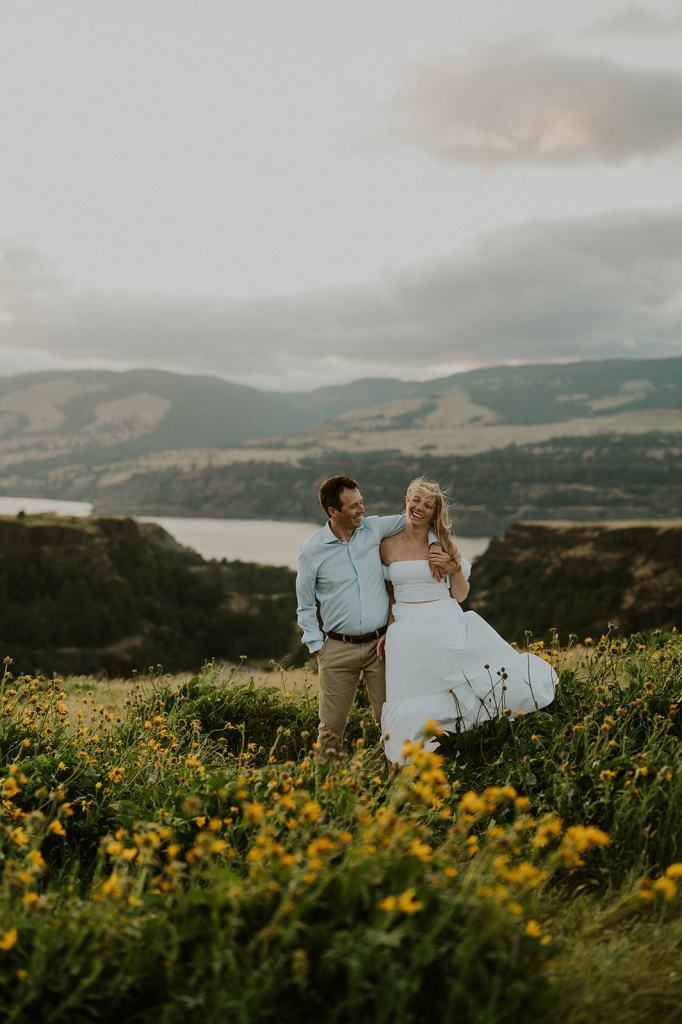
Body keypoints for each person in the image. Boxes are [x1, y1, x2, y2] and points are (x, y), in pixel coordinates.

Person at [379, 477, 557, 766]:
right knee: (412, 694)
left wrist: (453, 567)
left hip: (442, 619)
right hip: (405, 630)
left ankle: (467, 748)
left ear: (434, 512)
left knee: (462, 684)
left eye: (427, 505)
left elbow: (460, 594)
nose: (419, 508)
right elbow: (387, 593)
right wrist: (388, 629)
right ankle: (413, 759)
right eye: (416, 500)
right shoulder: (386, 547)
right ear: (406, 498)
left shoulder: (444, 545)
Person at [296, 475, 458, 761]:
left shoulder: (374, 528)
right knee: (331, 728)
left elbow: (418, 520)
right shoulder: (312, 551)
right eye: (354, 506)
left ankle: (395, 786)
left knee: (393, 720)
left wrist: (433, 544)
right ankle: (325, 791)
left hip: (381, 648)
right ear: (333, 512)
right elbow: (305, 605)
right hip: (336, 650)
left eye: (362, 503)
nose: (362, 510)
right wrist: (318, 647)